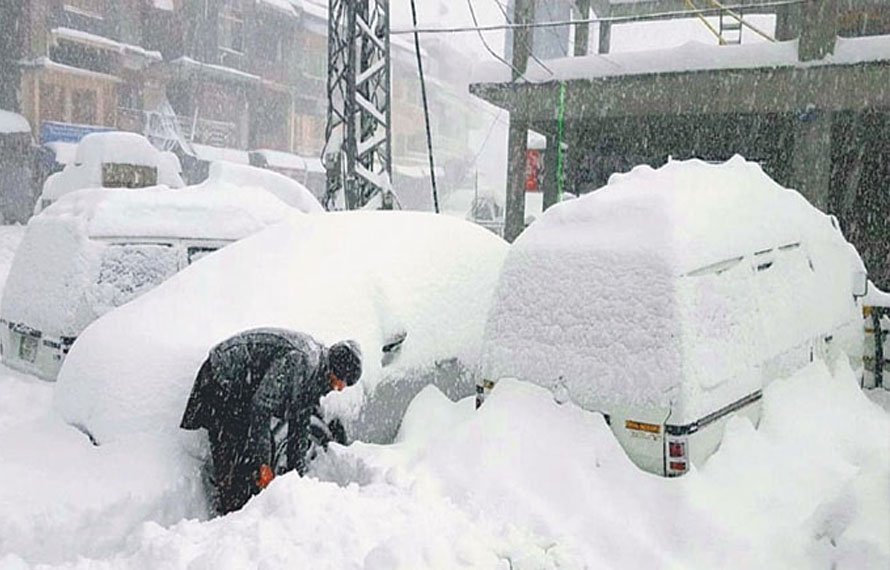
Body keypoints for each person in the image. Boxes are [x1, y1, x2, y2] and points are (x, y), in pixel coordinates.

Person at [180, 328, 362, 514]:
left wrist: (296, 479)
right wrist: (263, 464)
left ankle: (238, 505)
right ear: (336, 368)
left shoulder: (316, 376)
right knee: (237, 453)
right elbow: (261, 407)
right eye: (342, 380)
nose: (340, 388)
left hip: (243, 389)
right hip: (222, 379)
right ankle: (229, 515)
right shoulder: (300, 361)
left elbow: (299, 426)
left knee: (250, 454)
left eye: (346, 384)